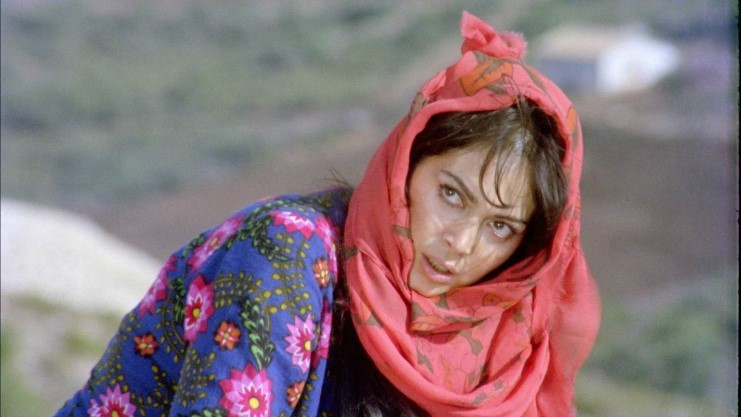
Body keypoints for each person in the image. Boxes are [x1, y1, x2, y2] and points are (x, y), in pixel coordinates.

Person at [55, 11, 600, 417]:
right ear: (405, 166)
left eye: (500, 226)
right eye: (451, 195)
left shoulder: (499, 346)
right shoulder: (285, 255)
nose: (462, 241)